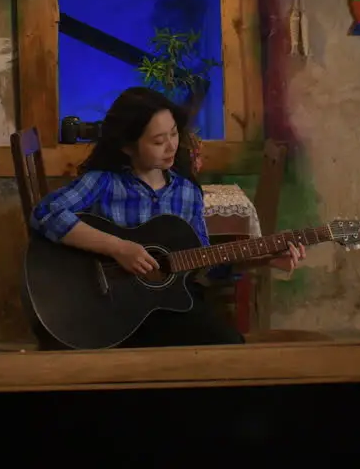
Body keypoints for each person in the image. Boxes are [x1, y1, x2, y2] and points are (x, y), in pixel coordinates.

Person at [28, 86, 306, 349]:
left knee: (229, 348)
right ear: (127, 146)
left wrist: (265, 259)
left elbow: (203, 261)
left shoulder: (187, 192)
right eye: (159, 141)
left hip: (167, 306)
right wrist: (119, 248)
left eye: (174, 134)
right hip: (109, 309)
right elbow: (44, 213)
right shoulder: (104, 182)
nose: (171, 146)